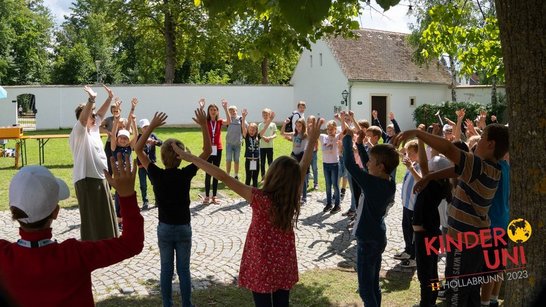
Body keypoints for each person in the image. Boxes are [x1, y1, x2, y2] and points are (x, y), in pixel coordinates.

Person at [171, 116, 323, 307]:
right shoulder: (292, 194)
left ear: (272, 175)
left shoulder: (259, 198)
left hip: (261, 260)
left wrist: (189, 157)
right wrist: (312, 139)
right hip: (284, 260)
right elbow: (303, 165)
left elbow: (223, 176)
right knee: (282, 302)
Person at [393, 123, 509, 307]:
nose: (477, 143)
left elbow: (448, 148)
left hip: (464, 243)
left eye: (483, 138)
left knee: (456, 294)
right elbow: (457, 170)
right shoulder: (493, 168)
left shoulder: (478, 165)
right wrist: (431, 176)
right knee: (470, 291)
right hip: (476, 239)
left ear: (491, 144)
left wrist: (418, 133)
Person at [0, 159, 144, 306]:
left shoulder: (4, 257)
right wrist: (126, 196)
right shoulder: (74, 255)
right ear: (56, 212)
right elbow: (131, 243)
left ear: (13, 211)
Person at [135, 109, 211, 307]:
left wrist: (151, 127)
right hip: (184, 227)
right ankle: (187, 304)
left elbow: (138, 150)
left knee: (166, 269)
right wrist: (204, 125)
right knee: (184, 270)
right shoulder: (185, 173)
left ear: (161, 157)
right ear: (181, 156)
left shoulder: (156, 174)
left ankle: (167, 304)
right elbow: (208, 151)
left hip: (165, 228)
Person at [342, 120, 399, 307]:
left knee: (366, 289)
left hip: (367, 240)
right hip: (378, 236)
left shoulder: (372, 183)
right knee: (374, 283)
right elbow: (367, 165)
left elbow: (351, 164)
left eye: (372, 162)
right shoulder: (388, 181)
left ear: (381, 166)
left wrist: (348, 138)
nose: (367, 163)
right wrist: (359, 144)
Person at [69, 85, 119, 241]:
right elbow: (84, 119)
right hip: (87, 180)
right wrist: (91, 99)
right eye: (92, 114)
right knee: (92, 220)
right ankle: (92, 248)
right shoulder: (79, 131)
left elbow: (101, 113)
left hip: (100, 178)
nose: (95, 116)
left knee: (105, 215)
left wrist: (110, 98)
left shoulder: (94, 128)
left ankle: (108, 244)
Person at [395, 139, 421, 268]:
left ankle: (413, 257)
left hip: (414, 206)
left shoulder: (420, 166)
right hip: (406, 204)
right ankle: (407, 250)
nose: (407, 156)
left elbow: (420, 181)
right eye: (407, 153)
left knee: (413, 233)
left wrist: (410, 168)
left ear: (418, 153)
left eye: (410, 153)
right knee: (406, 228)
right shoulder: (413, 163)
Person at [200, 98, 227, 204]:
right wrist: (201, 108)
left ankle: (214, 196)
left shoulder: (219, 122)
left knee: (215, 172)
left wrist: (225, 108)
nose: (213, 111)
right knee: (208, 172)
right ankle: (207, 196)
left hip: (218, 148)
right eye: (211, 109)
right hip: (208, 149)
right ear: (208, 111)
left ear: (217, 111)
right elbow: (199, 119)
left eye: (215, 109)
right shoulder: (205, 122)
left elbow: (229, 121)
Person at [281, 117, 309, 204]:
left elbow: (306, 149)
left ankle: (304, 197)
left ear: (303, 126)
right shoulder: (294, 134)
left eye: (299, 126)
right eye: (296, 126)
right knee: (293, 177)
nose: (298, 127)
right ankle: (295, 194)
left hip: (301, 156)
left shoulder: (305, 136)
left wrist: (303, 160)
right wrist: (285, 123)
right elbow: (282, 133)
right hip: (294, 156)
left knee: (303, 177)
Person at [136, 118, 163, 210]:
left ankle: (157, 200)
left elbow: (161, 143)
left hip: (151, 164)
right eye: (144, 127)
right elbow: (134, 148)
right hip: (141, 165)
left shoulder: (152, 135)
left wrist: (154, 142)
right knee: (143, 184)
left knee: (154, 182)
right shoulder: (138, 137)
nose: (146, 128)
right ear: (141, 128)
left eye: (148, 127)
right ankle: (145, 201)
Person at [319, 120, 342, 214]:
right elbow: (312, 133)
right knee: (328, 185)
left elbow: (344, 130)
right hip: (325, 164)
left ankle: (337, 205)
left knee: (335, 185)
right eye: (328, 129)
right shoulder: (323, 137)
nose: (329, 131)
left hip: (334, 164)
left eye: (332, 129)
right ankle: (329, 203)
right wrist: (318, 123)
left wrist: (341, 119)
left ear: (335, 129)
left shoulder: (337, 137)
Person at [100, 99, 122, 175]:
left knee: (119, 164)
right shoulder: (108, 119)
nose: (115, 112)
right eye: (113, 111)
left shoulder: (123, 120)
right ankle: (108, 184)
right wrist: (107, 132)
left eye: (116, 110)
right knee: (109, 164)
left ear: (120, 110)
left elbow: (130, 131)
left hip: (120, 144)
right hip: (109, 144)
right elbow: (99, 127)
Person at [225, 102, 244, 180]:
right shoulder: (228, 119)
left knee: (236, 160)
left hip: (237, 144)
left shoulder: (241, 119)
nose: (232, 112)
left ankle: (236, 175)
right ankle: (228, 175)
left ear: (237, 111)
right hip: (229, 143)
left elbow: (246, 128)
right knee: (228, 159)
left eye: (234, 110)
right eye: (231, 111)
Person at [241, 108, 260, 187]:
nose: (251, 131)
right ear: (248, 130)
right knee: (248, 177)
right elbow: (243, 127)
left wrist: (270, 120)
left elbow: (265, 128)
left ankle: (255, 196)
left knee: (255, 178)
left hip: (256, 160)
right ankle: (246, 195)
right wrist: (243, 117)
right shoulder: (247, 136)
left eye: (253, 130)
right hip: (249, 160)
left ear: (256, 131)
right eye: (250, 130)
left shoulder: (258, 137)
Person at [258, 108, 278, 181]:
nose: (265, 116)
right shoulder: (260, 124)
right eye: (264, 114)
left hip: (270, 147)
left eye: (267, 114)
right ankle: (263, 177)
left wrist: (270, 137)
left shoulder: (273, 124)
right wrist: (264, 138)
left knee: (270, 162)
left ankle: (271, 177)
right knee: (262, 162)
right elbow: (259, 134)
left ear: (269, 115)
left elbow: (275, 134)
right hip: (262, 147)